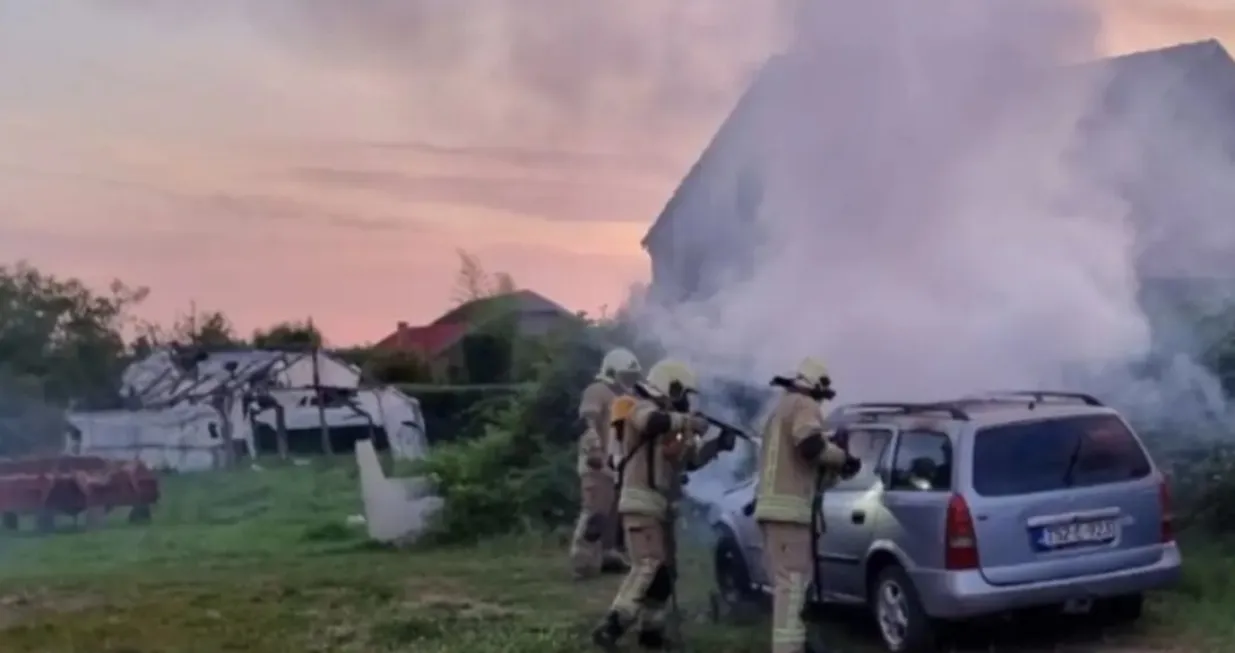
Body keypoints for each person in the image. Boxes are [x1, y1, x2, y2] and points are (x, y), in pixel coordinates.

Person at [592, 359, 737, 651]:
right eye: (683, 393)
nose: (686, 401)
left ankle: (651, 633)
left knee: (663, 573)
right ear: (671, 387)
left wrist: (717, 445)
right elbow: (651, 422)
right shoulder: (637, 405)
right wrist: (688, 422)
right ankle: (612, 626)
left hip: (660, 507)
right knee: (647, 565)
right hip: (641, 502)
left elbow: (689, 460)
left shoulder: (669, 420)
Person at [754, 357, 859, 653]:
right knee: (793, 585)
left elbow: (802, 464)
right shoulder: (803, 404)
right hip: (788, 514)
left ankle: (798, 642)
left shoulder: (779, 411)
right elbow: (810, 447)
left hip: (774, 511)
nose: (821, 405)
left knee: (789, 586)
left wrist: (833, 466)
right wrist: (843, 458)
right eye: (822, 397)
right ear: (816, 387)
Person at [570, 348, 642, 580]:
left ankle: (608, 556)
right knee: (596, 513)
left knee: (615, 515)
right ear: (611, 372)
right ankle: (582, 562)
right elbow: (588, 422)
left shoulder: (628, 397)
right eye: (626, 374)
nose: (629, 379)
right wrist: (594, 451)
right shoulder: (597, 391)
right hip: (598, 462)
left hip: (618, 463)